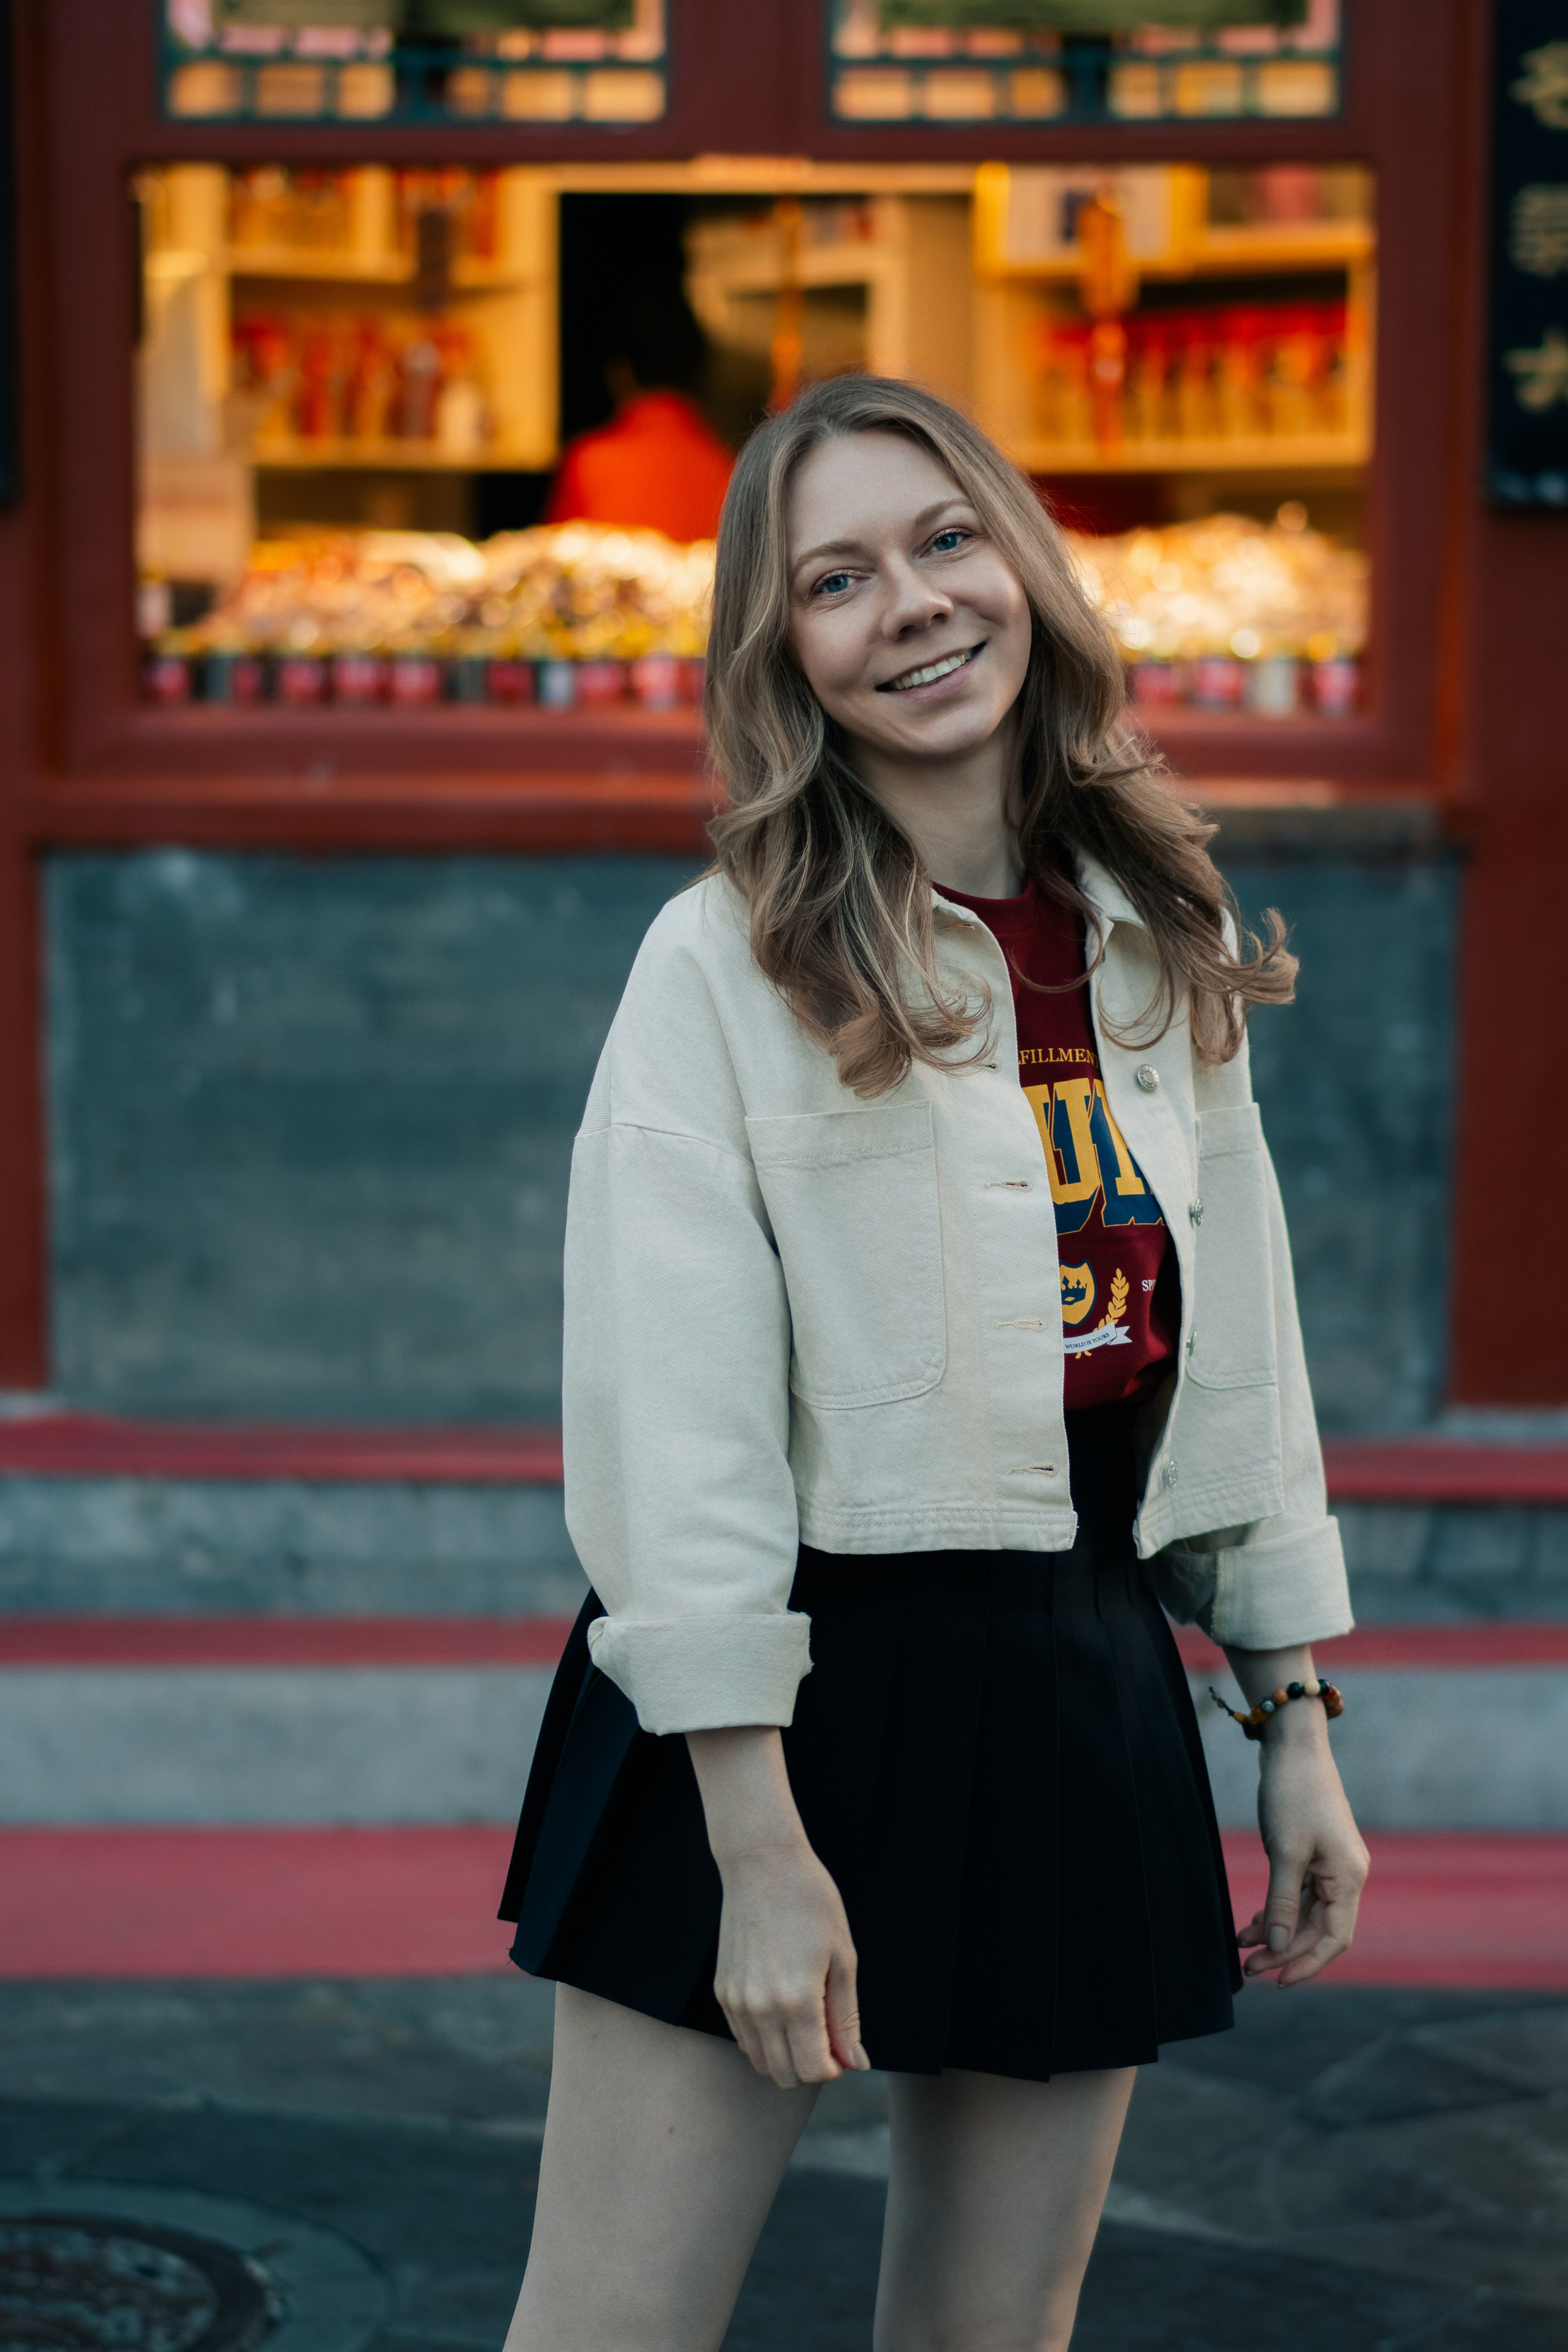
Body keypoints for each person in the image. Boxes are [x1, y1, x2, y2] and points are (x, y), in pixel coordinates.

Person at [499, 375, 1369, 2352]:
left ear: (1023, 566)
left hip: (1070, 1679)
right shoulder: (723, 963)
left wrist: (1291, 1711)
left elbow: (1239, 1357)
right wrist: (757, 1836)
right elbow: (678, 1423)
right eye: (836, 578)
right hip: (777, 1689)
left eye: (944, 541)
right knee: (607, 2333)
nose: (911, 605)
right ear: (782, 650)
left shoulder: (1157, 928)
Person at [543, 288, 734, 543]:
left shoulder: (589, 465)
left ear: (620, 374)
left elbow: (551, 575)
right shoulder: (732, 470)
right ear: (701, 375)